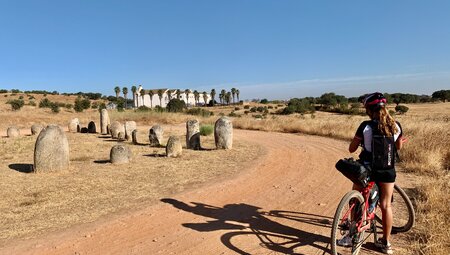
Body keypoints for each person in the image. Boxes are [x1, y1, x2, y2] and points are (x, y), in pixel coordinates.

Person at [338, 92, 405, 254]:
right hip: (388, 171)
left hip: (367, 170)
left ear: (369, 109)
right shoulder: (396, 125)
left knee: (356, 199)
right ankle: (386, 243)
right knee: (386, 205)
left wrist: (360, 142)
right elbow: (398, 148)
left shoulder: (365, 126)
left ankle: (351, 236)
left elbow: (351, 149)